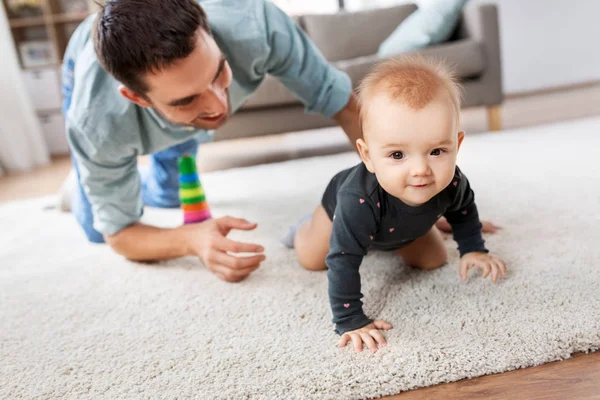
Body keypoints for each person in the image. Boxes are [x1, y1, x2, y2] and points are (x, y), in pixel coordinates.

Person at [61, 0, 362, 282]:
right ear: (137, 98)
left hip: (164, 117)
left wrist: (390, 180)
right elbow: (121, 235)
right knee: (97, 229)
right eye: (187, 99)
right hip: (85, 70)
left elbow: (346, 107)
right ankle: (88, 179)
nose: (220, 107)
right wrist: (190, 239)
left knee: (169, 194)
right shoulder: (97, 124)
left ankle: (121, 171)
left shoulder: (255, 23)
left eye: (219, 72)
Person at [288, 56, 507, 353]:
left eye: (437, 151)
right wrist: (350, 319)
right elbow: (343, 261)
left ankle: (423, 223)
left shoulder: (452, 181)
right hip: (341, 212)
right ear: (367, 155)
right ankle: (304, 227)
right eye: (397, 155)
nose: (420, 170)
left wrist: (473, 248)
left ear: (457, 145)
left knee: (434, 260)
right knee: (313, 259)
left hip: (397, 225)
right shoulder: (357, 200)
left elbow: (463, 209)